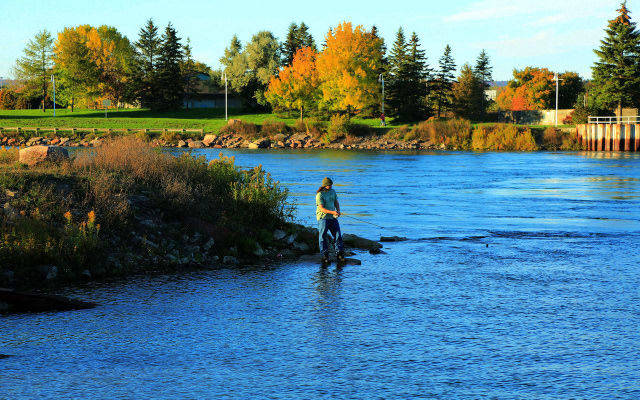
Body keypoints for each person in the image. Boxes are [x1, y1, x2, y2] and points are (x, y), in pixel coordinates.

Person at [316, 177, 345, 263]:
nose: (331, 186)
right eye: (329, 185)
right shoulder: (319, 195)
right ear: (325, 185)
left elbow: (336, 202)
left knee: (337, 235)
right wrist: (333, 212)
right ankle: (325, 256)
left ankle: (339, 254)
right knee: (322, 237)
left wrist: (338, 210)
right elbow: (322, 209)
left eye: (331, 185)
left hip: (332, 218)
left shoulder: (333, 191)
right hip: (323, 218)